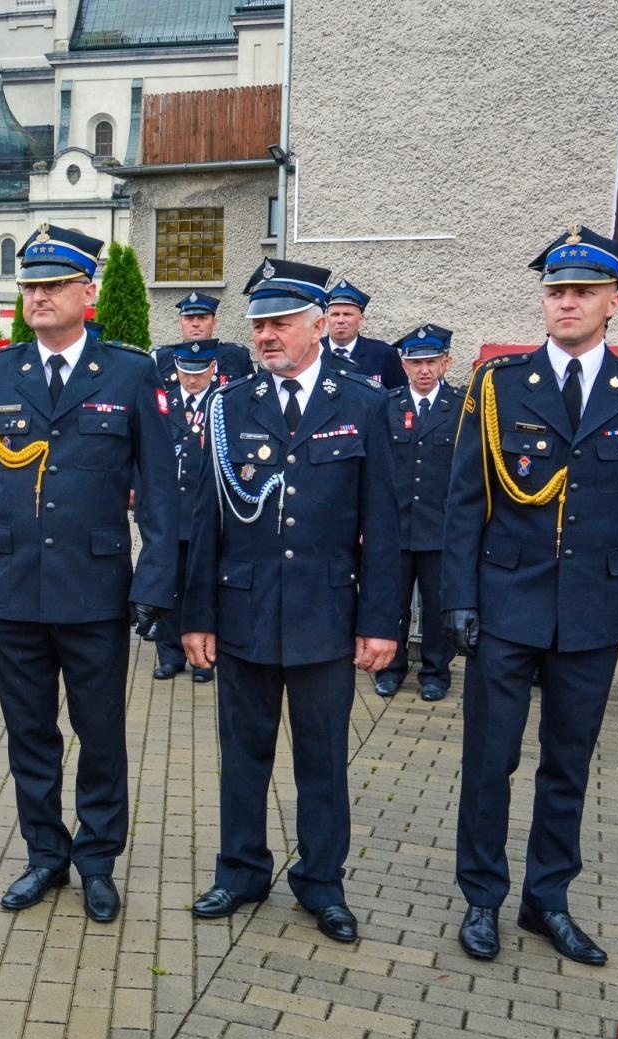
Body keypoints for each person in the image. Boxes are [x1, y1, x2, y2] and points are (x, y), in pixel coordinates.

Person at [442, 225, 618, 966]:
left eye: (583, 291)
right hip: (505, 603)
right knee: (489, 762)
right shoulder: (499, 385)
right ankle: (482, 898)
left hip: (591, 611)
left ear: (614, 301)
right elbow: (464, 502)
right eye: (556, 292)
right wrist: (459, 596)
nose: (567, 303)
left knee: (567, 765)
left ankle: (547, 899)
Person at [0, 223, 176, 923]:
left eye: (53, 285)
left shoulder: (130, 373)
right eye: (30, 286)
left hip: (95, 590)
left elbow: (160, 492)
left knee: (99, 735)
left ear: (87, 291)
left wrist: (155, 583)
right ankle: (45, 854)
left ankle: (97, 861)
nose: (38, 297)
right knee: (30, 734)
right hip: (11, 589)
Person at [181, 258, 401, 942]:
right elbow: (205, 520)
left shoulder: (363, 403)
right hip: (243, 610)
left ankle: (321, 883)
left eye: (279, 323)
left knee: (322, 760)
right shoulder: (229, 405)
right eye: (258, 325)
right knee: (242, 756)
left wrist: (380, 621)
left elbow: (384, 524)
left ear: (317, 325)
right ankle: (241, 870)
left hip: (326, 614)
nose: (266, 336)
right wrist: (196, 615)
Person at [374, 325, 463, 701]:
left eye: (431, 362)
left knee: (437, 604)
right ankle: (389, 668)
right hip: (394, 526)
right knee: (390, 602)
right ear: (404, 366)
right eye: (416, 363)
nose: (424, 370)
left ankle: (435, 673)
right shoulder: (386, 405)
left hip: (439, 526)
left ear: (446, 362)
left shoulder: (460, 407)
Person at [153, 344, 221, 683]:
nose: (192, 380)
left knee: (203, 584)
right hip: (169, 510)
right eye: (185, 372)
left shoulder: (222, 404)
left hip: (207, 511)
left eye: (199, 372)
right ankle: (170, 654)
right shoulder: (163, 403)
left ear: (213, 369)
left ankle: (204, 659)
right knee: (169, 584)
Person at [153, 292, 253, 386]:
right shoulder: (161, 359)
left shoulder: (237, 357)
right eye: (189, 318)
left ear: (214, 323)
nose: (195, 324)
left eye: (202, 318)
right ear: (180, 323)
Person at [322, 279, 407, 389]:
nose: (340, 320)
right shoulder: (311, 351)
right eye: (335, 314)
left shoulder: (384, 355)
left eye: (347, 314)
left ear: (361, 319)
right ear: (326, 319)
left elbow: (398, 397)